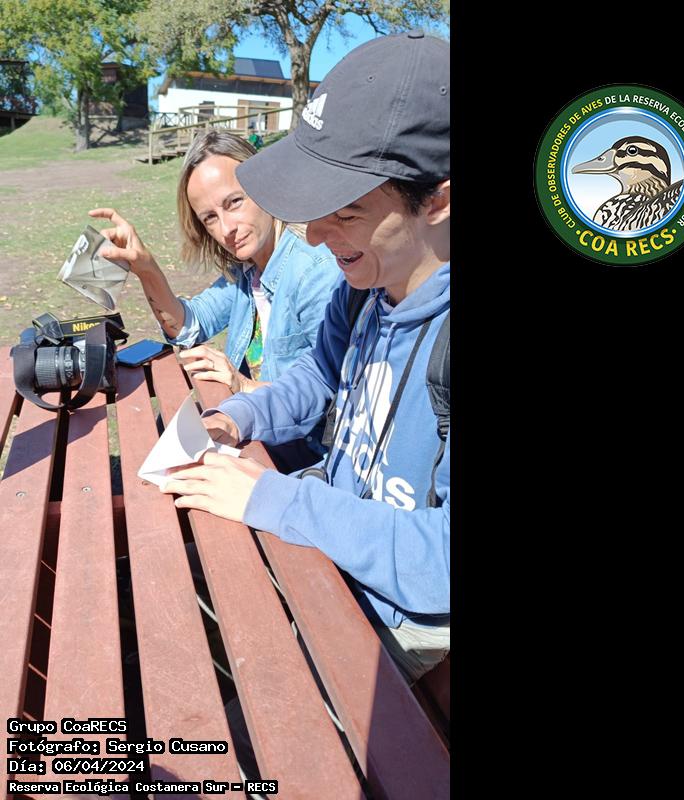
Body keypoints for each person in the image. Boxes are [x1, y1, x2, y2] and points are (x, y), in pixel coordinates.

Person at [163, 31, 450, 685]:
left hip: (399, 611)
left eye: (344, 212)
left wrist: (277, 500)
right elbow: (315, 379)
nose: (316, 237)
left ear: (436, 200)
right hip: (331, 538)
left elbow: (441, 561)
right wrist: (235, 418)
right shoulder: (365, 288)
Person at [89, 130, 342, 468]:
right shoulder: (248, 272)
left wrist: (242, 384)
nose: (226, 229)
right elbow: (188, 327)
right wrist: (146, 269)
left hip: (302, 462)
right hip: (256, 437)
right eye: (209, 217)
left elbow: (335, 398)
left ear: (265, 185)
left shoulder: (314, 272)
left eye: (234, 202)